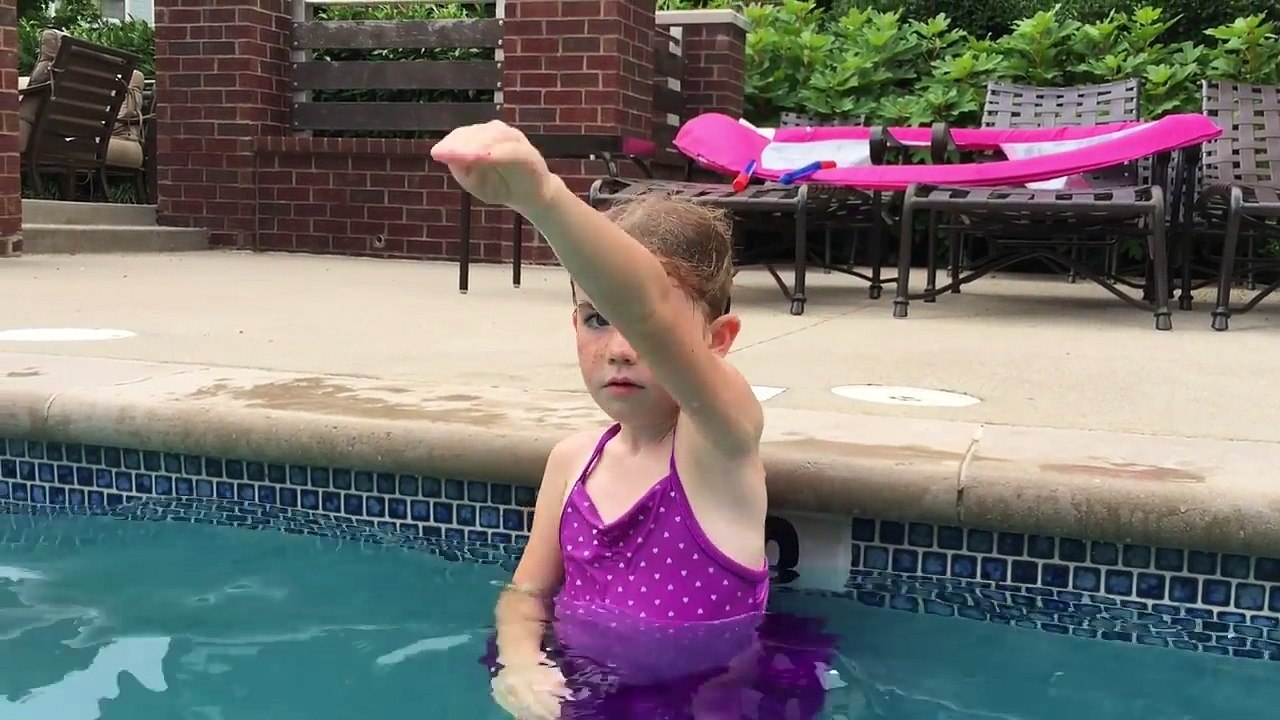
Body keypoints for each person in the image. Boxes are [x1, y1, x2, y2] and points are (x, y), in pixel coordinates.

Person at [431, 121, 835, 719]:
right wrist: (522, 663)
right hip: (586, 691)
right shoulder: (572, 462)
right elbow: (525, 595)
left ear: (717, 340)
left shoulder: (717, 447)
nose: (620, 346)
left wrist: (543, 199)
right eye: (596, 319)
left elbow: (646, 309)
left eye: (638, 327)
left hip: (704, 700)